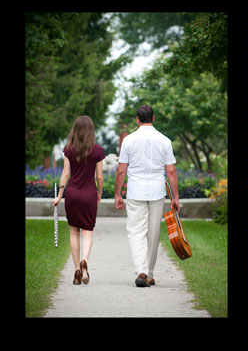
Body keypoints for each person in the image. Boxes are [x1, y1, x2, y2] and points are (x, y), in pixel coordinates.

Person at [114, 105, 179, 288]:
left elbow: (121, 170)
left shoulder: (128, 141)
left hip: (135, 191)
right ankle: (149, 273)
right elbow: (171, 171)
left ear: (137, 119)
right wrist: (176, 196)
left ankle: (141, 270)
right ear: (154, 118)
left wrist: (118, 193)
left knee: (136, 231)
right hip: (157, 190)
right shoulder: (164, 140)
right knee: (153, 232)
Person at [53, 115, 105, 285]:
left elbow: (65, 173)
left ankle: (76, 268)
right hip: (89, 194)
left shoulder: (68, 149)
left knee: (74, 232)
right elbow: (99, 176)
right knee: (87, 231)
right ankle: (85, 261)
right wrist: (100, 193)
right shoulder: (97, 150)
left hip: (73, 195)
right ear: (91, 130)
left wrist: (60, 196)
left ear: (75, 129)